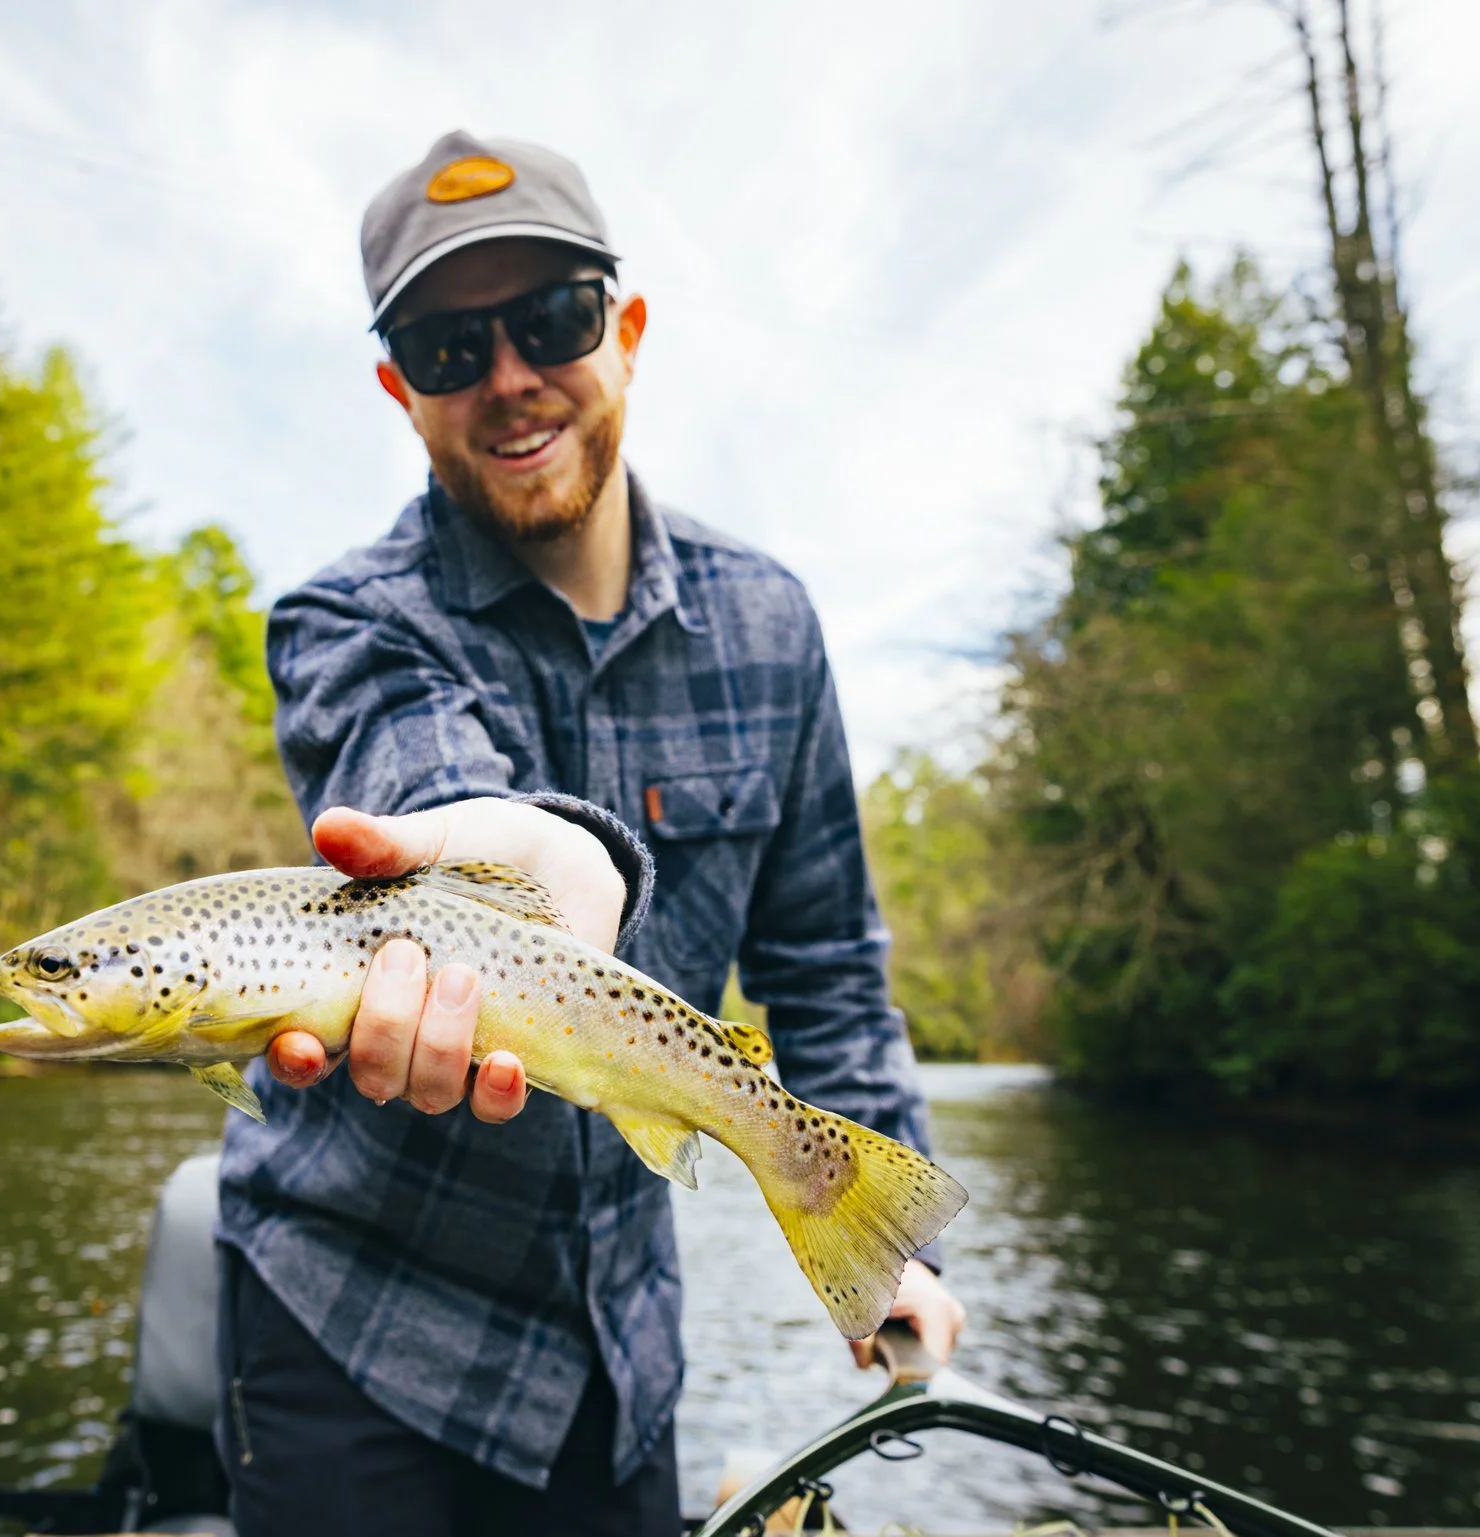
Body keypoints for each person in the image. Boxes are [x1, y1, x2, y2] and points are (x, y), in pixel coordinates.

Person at [214, 130, 965, 1537]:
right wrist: (528, 856)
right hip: (353, 1327)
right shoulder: (348, 620)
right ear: (400, 390)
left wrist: (888, 1252)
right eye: (448, 347)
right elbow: (421, 766)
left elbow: (826, 971)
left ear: (624, 329)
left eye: (551, 319)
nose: (507, 378)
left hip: (619, 1348)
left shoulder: (772, 627)